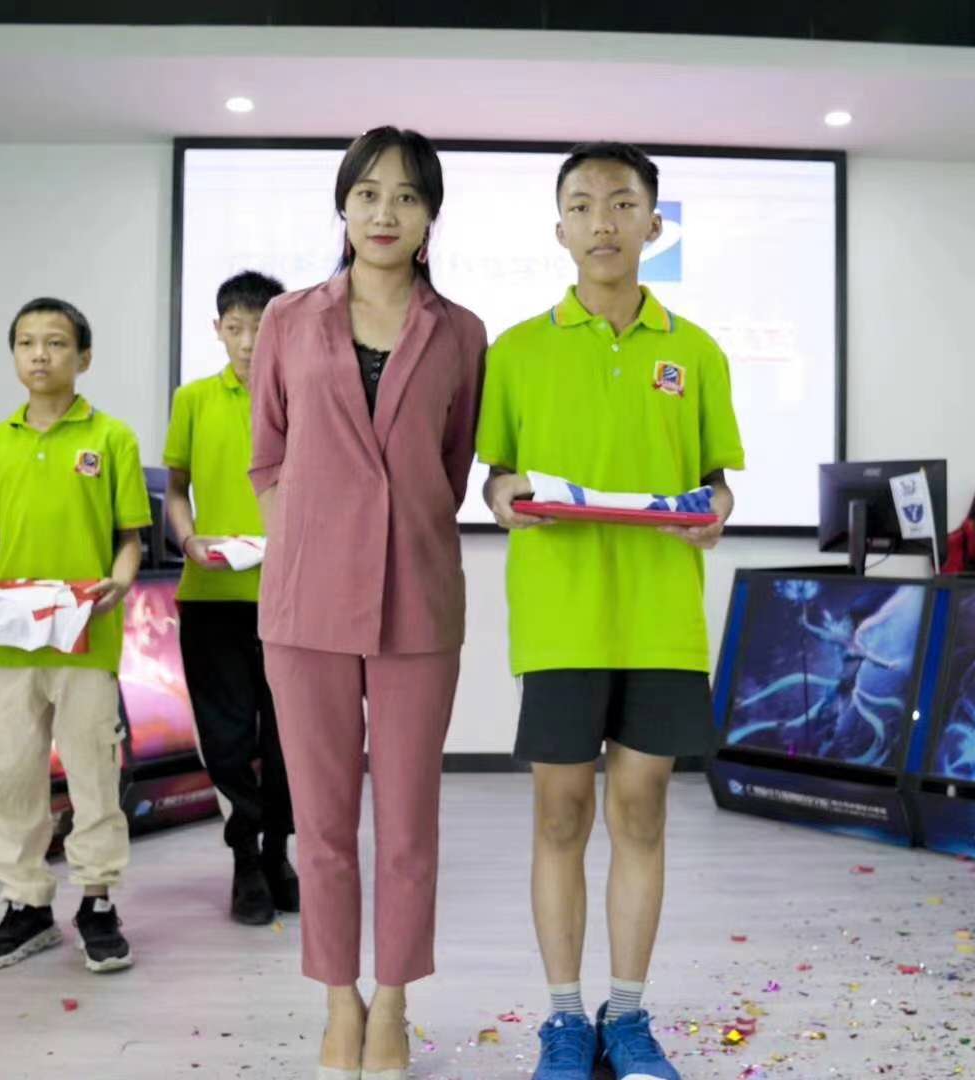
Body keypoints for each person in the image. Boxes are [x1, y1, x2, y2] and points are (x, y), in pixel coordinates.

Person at [479, 142, 743, 1080]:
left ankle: (626, 1016)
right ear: (560, 228)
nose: (604, 221)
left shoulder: (696, 350)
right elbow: (496, 477)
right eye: (584, 205)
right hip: (561, 616)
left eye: (623, 203)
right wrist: (505, 497)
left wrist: (716, 512)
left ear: (654, 225)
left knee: (641, 813)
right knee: (560, 816)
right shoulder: (517, 349)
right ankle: (562, 1019)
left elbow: (715, 482)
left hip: (661, 619)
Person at [246, 127, 485, 1080]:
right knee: (323, 820)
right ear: (343, 206)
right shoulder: (288, 320)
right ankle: (338, 1000)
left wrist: (390, 529)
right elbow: (267, 456)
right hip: (304, 602)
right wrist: (314, 534)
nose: (386, 212)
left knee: (409, 823)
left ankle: (393, 1002)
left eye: (408, 196)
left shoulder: (461, 333)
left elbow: (452, 467)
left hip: (418, 597)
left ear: (431, 217)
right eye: (368, 193)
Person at [0, 297, 153, 974]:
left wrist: (118, 582)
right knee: (8, 775)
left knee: (93, 774)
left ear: (83, 357)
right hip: (6, 641)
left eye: (56, 342)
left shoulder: (112, 439)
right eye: (27, 342)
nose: (40, 354)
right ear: (14, 355)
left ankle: (97, 901)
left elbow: (129, 540)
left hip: (84, 637)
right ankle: (26, 905)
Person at [163, 269, 298, 926]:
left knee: (290, 735)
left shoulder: (304, 395)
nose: (248, 342)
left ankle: (277, 852)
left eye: (260, 327)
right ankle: (245, 855)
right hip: (213, 591)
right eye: (235, 328)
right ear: (217, 329)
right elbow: (176, 487)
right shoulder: (193, 399)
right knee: (226, 735)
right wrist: (188, 539)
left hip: (293, 594)